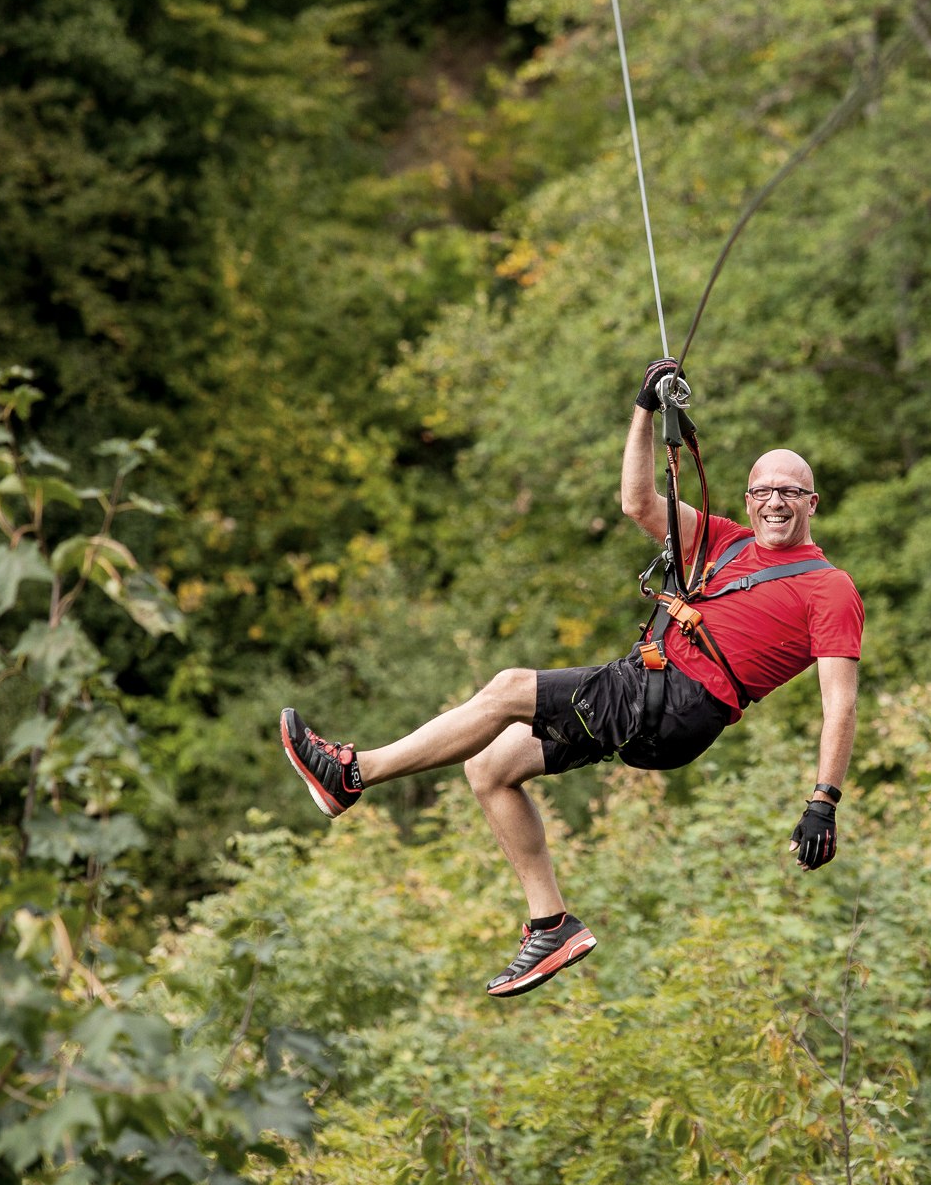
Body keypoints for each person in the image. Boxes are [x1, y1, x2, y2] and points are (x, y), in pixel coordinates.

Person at [278, 359, 864, 997]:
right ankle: (551, 924)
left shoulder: (829, 589)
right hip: (646, 685)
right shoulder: (723, 541)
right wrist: (644, 411)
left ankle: (352, 774)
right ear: (748, 500)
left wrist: (823, 801)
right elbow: (637, 502)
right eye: (763, 491)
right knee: (490, 768)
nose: (775, 502)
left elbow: (839, 707)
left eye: (790, 492)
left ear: (812, 503)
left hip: (679, 704)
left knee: (508, 688)